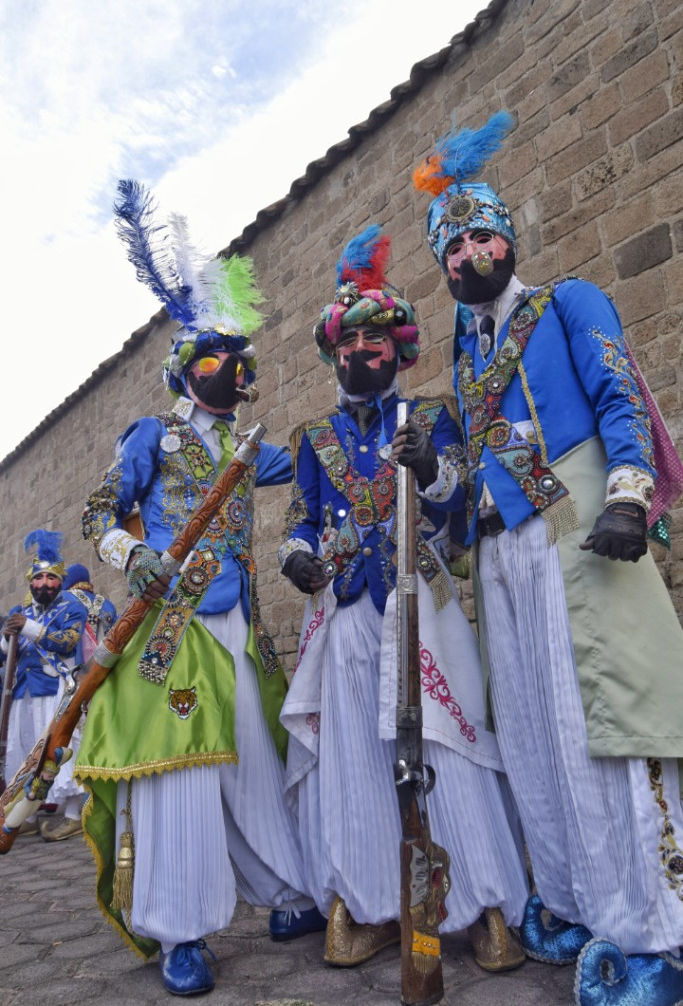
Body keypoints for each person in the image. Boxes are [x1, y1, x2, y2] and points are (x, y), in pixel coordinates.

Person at [410, 111, 683, 1006]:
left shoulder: (566, 301)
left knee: (603, 724)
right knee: (532, 733)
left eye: (479, 235)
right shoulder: (462, 363)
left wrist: (627, 496)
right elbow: (460, 483)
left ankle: (653, 934)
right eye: (450, 249)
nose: (466, 256)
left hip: (578, 530)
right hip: (501, 557)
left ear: (509, 236)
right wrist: (434, 472)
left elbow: (616, 393)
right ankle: (570, 903)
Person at [75, 181, 324, 996]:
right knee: (181, 775)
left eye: (237, 355)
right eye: (214, 353)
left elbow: (310, 460)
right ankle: (181, 930)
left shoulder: (250, 450)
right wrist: (133, 553)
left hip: (240, 628)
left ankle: (286, 893)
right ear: (184, 367)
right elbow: (98, 509)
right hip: (174, 628)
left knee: (255, 757)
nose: (231, 365)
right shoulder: (152, 434)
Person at [278, 225, 529, 971]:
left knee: (449, 749)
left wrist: (433, 471)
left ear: (400, 346)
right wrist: (295, 554)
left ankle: (480, 901)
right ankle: (366, 905)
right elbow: (301, 515)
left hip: (423, 603)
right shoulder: (315, 436)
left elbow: (458, 508)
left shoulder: (433, 417)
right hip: (348, 611)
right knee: (356, 757)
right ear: (334, 353)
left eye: (376, 338)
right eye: (348, 342)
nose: (362, 351)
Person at [0, 530, 87, 835]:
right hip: (24, 692)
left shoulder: (73, 608)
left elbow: (67, 642)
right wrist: (7, 637)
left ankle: (74, 816)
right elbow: (6, 653)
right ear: (30, 581)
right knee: (25, 754)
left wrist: (29, 628)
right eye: (40, 578)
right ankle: (29, 817)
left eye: (52, 578)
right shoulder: (20, 611)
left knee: (59, 751)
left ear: (60, 581)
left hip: (57, 691)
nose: (45, 584)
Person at [39, 564, 118, 842]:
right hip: (106, 679)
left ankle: (75, 815)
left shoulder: (66, 602)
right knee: (99, 740)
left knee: (69, 745)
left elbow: (60, 642)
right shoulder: (106, 603)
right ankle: (104, 806)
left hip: (74, 682)